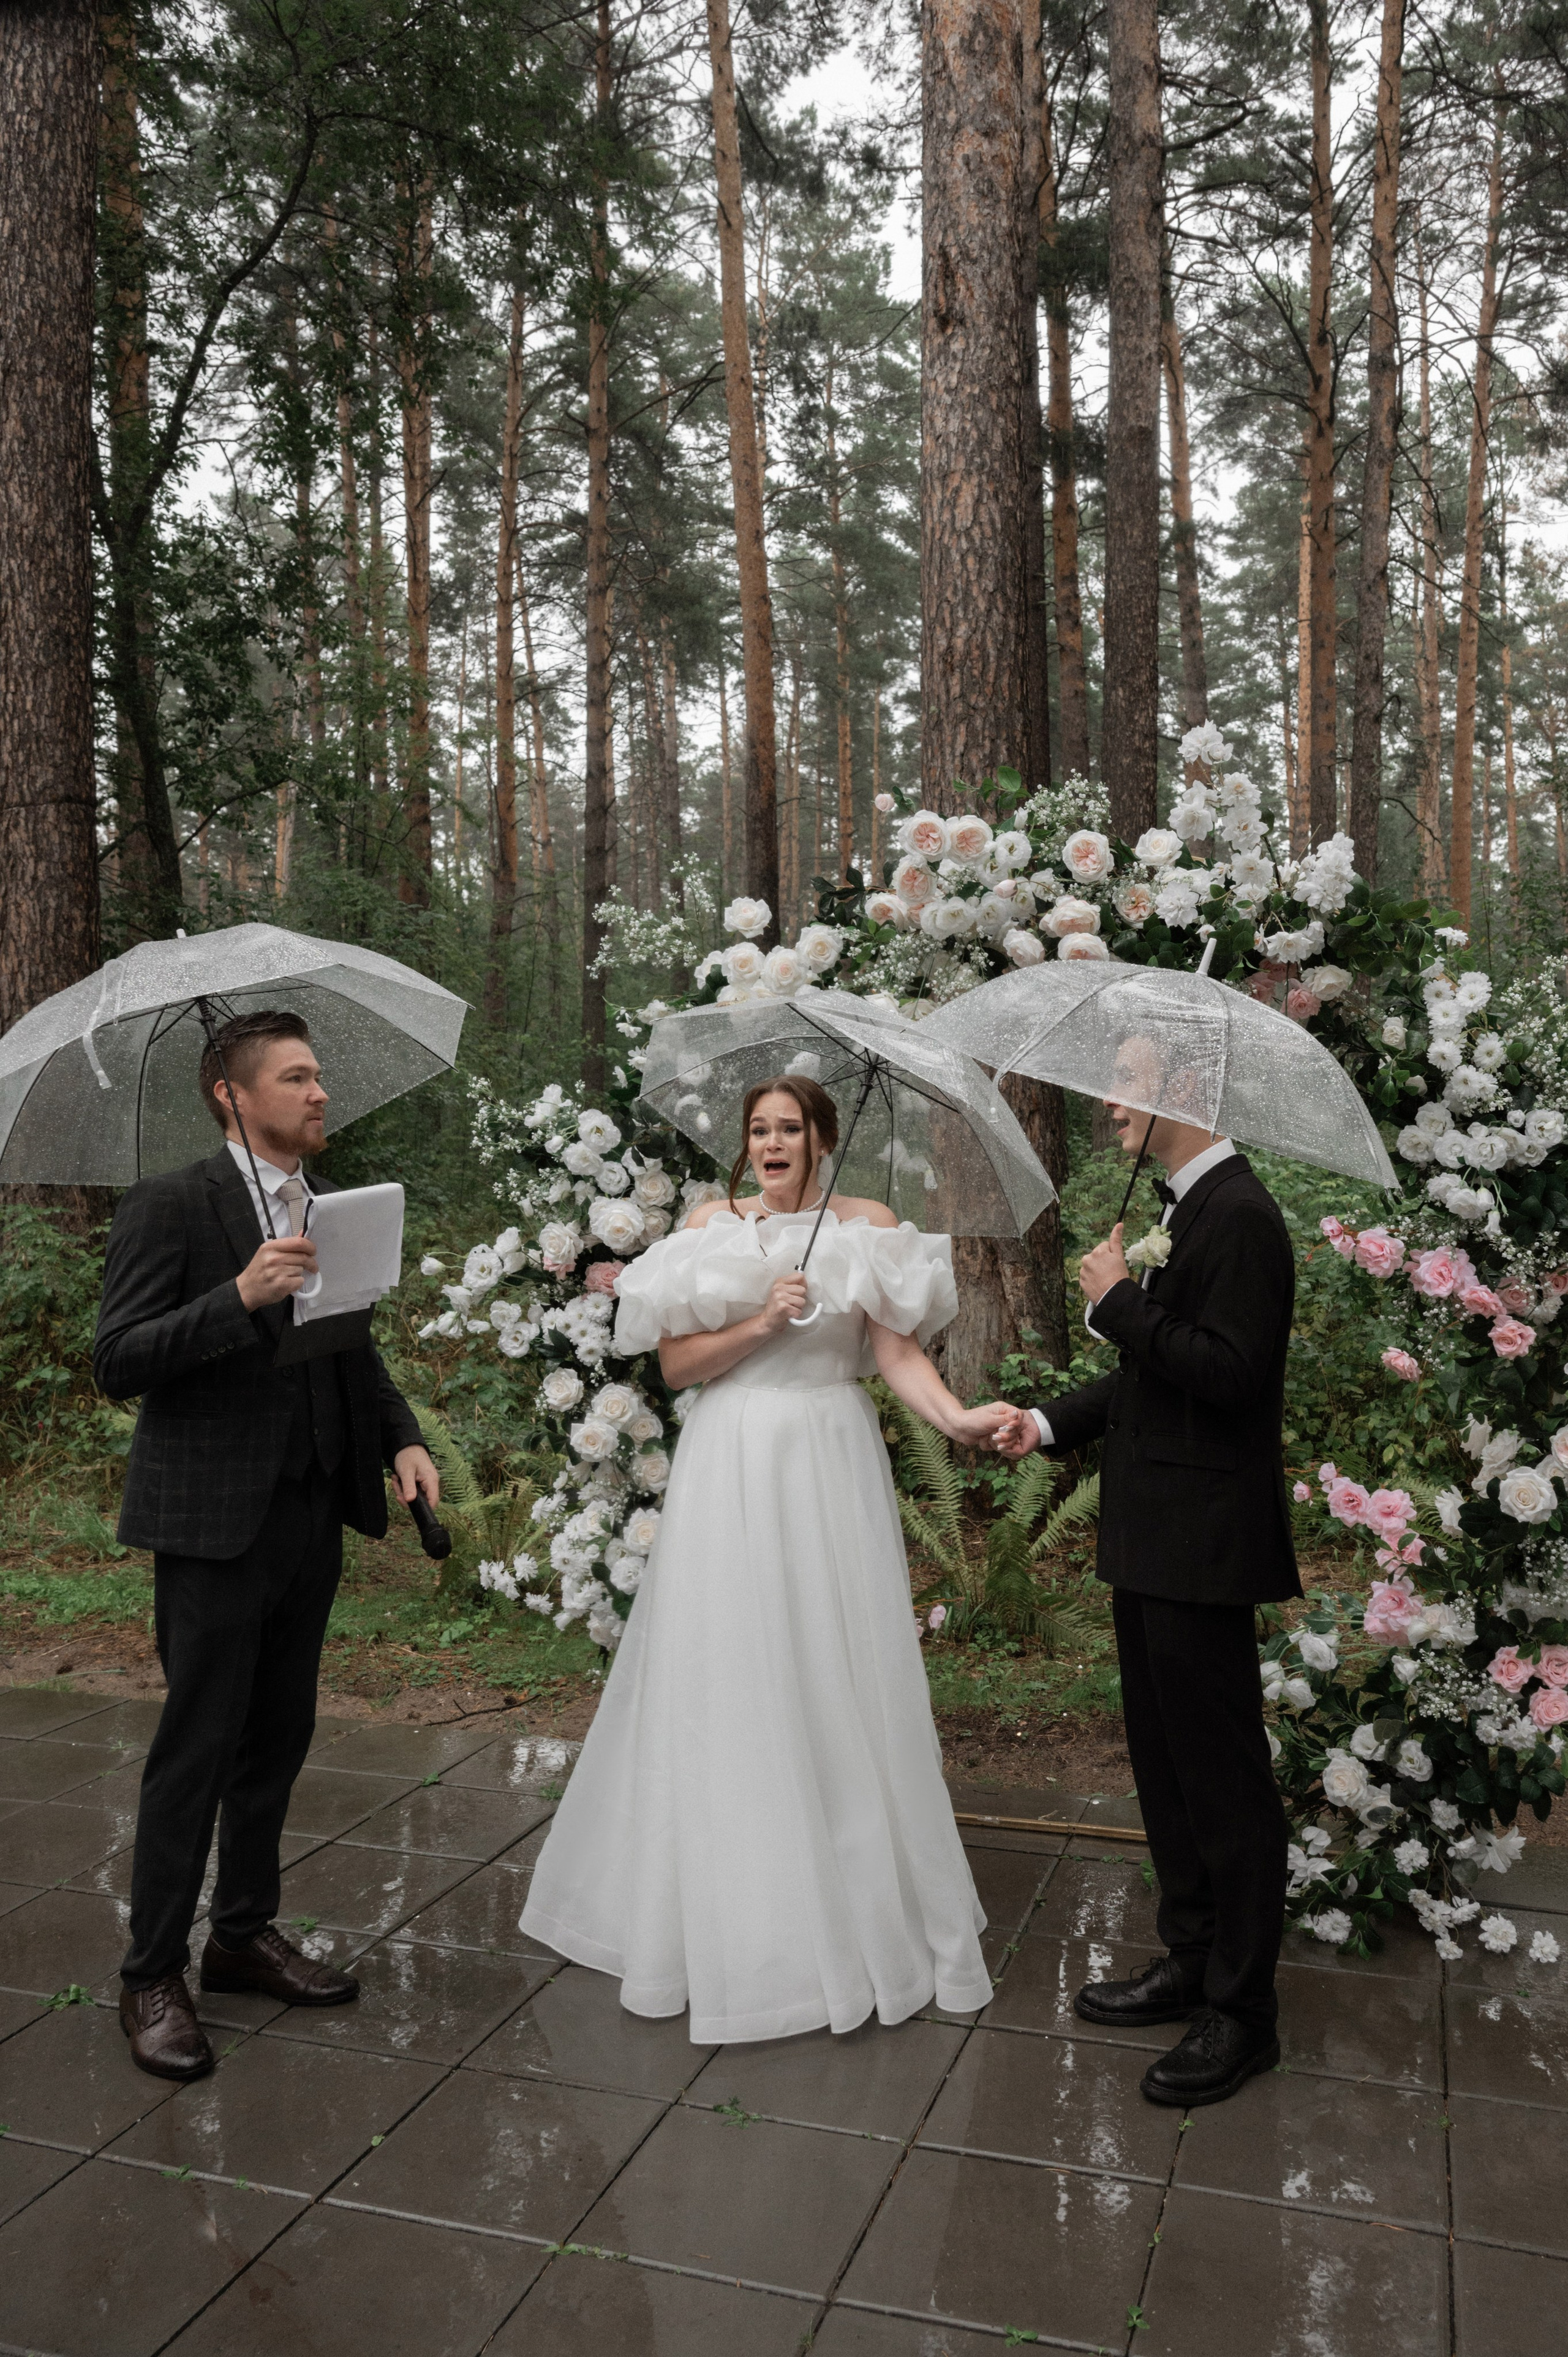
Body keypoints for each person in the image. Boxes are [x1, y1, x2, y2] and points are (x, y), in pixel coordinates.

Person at [520, 1075, 1013, 2042]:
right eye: (760, 1130)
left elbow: (898, 1352)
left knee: (837, 1671)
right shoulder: (711, 1225)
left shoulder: (869, 1224)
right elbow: (673, 1367)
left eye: (791, 1128)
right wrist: (759, 1318)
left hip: (829, 1457)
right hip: (731, 1458)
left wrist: (956, 1420)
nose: (774, 1143)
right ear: (746, 1145)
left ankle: (853, 1889)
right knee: (731, 1670)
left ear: (824, 1139)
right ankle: (731, 1909)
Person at [94, 1009, 439, 2081]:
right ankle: (152, 1974)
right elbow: (119, 1359)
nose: (321, 1092)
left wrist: (403, 1438)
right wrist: (237, 1298)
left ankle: (242, 1936)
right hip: (208, 1519)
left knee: (277, 1738)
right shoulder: (171, 1204)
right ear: (231, 1095)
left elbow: (351, 1340)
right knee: (196, 1747)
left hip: (308, 1511)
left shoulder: (330, 1208)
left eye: (319, 1075)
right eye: (297, 1078)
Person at [996, 1058, 1298, 2109]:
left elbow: (1227, 1375)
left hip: (1206, 1547)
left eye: (1126, 1088)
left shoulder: (1244, 1218)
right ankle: (1193, 1955)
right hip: (1150, 1538)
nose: (1110, 1104)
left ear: (1189, 1097)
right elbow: (1147, 1380)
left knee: (1224, 1782)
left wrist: (1119, 1301)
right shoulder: (1185, 1208)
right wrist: (1040, 1427)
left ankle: (1243, 2013)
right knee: (1167, 1769)